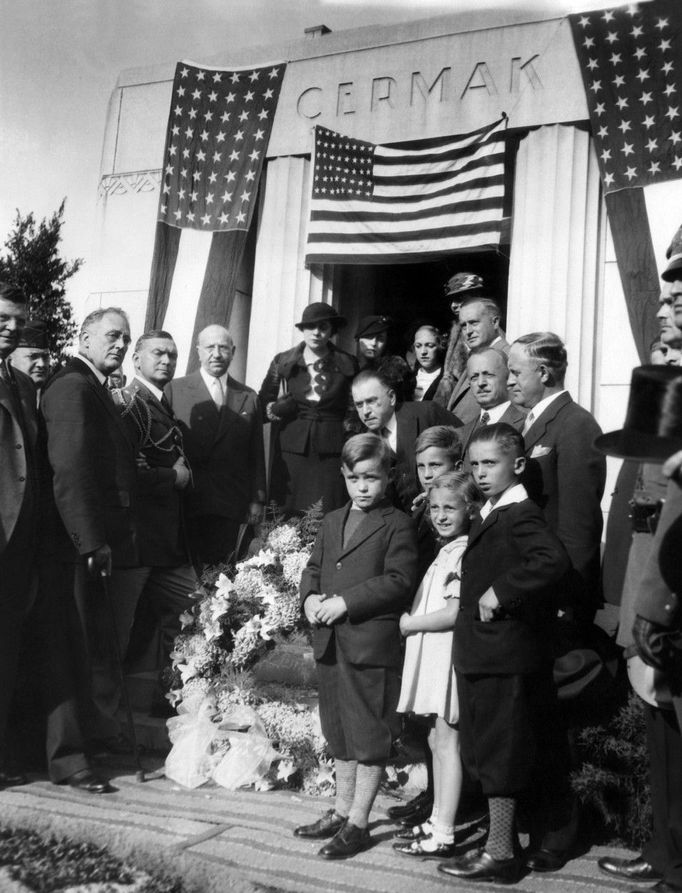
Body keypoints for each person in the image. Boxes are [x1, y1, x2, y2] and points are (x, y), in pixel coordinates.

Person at [439, 424, 570, 884]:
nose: (480, 472)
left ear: (517, 466)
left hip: (505, 656)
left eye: (490, 463)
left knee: (501, 753)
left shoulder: (520, 512)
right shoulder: (491, 511)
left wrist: (501, 591)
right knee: (487, 750)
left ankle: (500, 853)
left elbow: (552, 560)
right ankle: (502, 847)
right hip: (482, 653)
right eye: (473, 464)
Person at [296, 434, 418, 859]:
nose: (362, 487)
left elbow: (399, 580)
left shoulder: (398, 523)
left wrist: (346, 601)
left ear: (388, 476)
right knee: (339, 730)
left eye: (371, 477)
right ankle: (341, 809)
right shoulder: (332, 521)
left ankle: (360, 822)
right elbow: (314, 568)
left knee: (368, 732)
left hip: (369, 643)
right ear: (343, 477)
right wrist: (310, 596)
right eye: (354, 478)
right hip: (332, 643)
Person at [41, 306, 138, 783]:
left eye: (126, 338)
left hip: (91, 541)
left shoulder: (93, 388)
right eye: (111, 336)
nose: (120, 345)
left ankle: (89, 747)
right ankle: (70, 760)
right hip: (74, 544)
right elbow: (70, 472)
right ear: (83, 338)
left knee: (92, 644)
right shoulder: (73, 387)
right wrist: (91, 542)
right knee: (73, 646)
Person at [597, 367, 682, 893]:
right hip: (650, 597)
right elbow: (624, 529)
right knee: (662, 735)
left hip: (668, 600)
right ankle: (666, 852)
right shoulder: (647, 443)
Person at [394, 472, 481, 860]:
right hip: (432, 656)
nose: (441, 515)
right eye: (435, 508)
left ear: (469, 509)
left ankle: (444, 831)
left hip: (446, 656)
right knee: (434, 739)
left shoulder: (463, 551)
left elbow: (452, 612)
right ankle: (436, 818)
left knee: (447, 743)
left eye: (451, 507)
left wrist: (410, 623)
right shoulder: (445, 549)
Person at [114, 331, 197, 716]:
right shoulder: (130, 405)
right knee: (117, 632)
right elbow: (121, 474)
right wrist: (173, 477)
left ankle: (167, 700)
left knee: (190, 613)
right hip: (136, 541)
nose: (166, 360)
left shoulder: (160, 405)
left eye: (172, 354)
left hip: (166, 540)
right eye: (157, 353)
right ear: (136, 359)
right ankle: (107, 724)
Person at [387, 425, 464, 828]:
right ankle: (432, 799)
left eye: (437, 464)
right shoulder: (421, 506)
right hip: (419, 617)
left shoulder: (454, 510)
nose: (428, 473)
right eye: (421, 466)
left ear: (456, 465)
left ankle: (444, 805)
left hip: (437, 623)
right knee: (426, 724)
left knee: (441, 723)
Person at [507, 332, 606, 624]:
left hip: (556, 591)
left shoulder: (576, 424)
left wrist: (568, 595)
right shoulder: (526, 422)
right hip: (529, 577)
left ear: (544, 373)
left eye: (515, 373)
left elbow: (580, 525)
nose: (509, 381)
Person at [167, 325, 266, 565]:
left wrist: (257, 498)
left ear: (233, 352)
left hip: (230, 502)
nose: (217, 354)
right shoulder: (175, 389)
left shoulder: (248, 396)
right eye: (210, 347)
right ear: (199, 351)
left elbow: (256, 454)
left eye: (223, 347)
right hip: (188, 501)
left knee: (223, 575)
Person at [259, 303, 357, 516]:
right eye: (310, 327)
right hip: (290, 450)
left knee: (327, 511)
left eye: (323, 327)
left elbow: (354, 411)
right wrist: (276, 408)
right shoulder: (282, 361)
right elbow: (261, 406)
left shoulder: (348, 363)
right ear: (302, 330)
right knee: (286, 512)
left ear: (332, 330)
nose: (317, 332)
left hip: (331, 451)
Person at [0, 283, 40, 788]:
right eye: (4, 317)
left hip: (17, 543)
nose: (12, 328)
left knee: (7, 650)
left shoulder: (23, 383)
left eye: (18, 320)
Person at [351, 367, 459, 513]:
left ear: (392, 397)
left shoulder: (427, 413)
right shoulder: (366, 444)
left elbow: (467, 452)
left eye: (371, 401)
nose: (365, 411)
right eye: (359, 405)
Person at [455, 346, 526, 462]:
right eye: (474, 377)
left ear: (507, 377)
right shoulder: (461, 433)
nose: (480, 383)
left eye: (488, 375)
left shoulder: (525, 424)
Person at [446, 298, 510, 423]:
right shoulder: (475, 357)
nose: (468, 331)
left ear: (495, 322)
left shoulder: (509, 357)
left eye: (474, 323)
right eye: (463, 326)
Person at [433, 272, 484, 408]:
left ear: (477, 297)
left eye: (460, 298)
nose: (453, 305)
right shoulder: (456, 331)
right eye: (451, 300)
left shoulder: (485, 332)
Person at [10, 318, 50, 400]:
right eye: (33, 356)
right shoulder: (4, 397)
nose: (41, 364)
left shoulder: (53, 397)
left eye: (45, 357)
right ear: (10, 359)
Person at [412, 325, 444, 401]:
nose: (423, 352)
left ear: (439, 346)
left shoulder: (447, 379)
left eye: (430, 346)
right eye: (418, 346)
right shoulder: (407, 379)